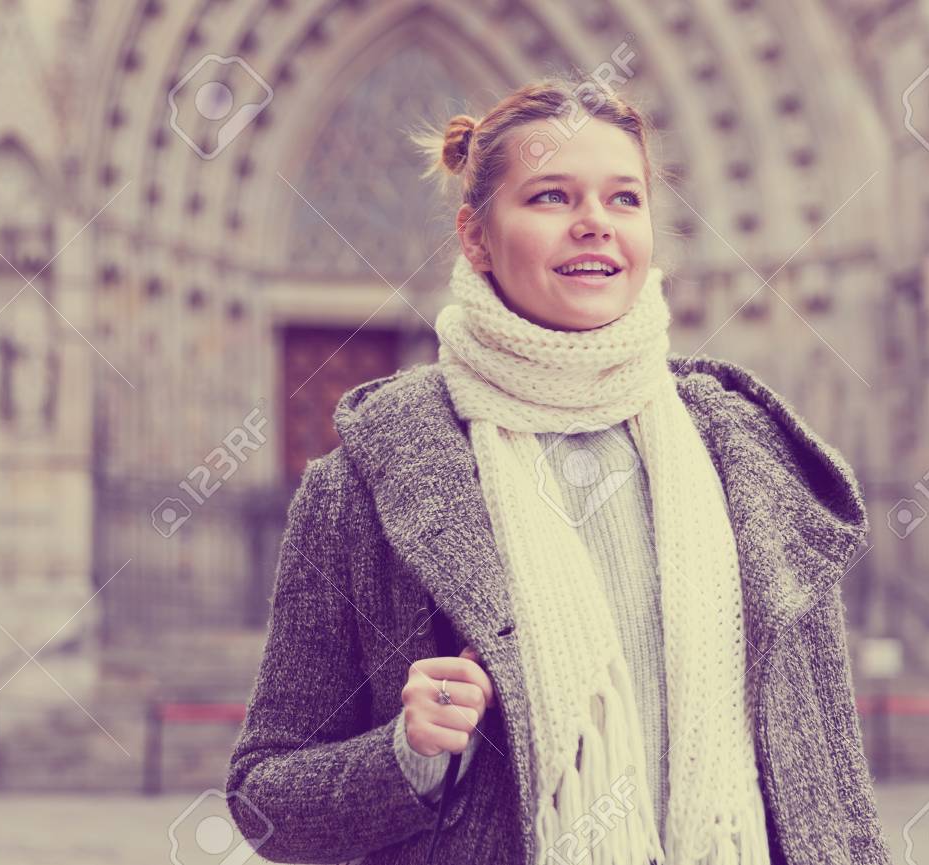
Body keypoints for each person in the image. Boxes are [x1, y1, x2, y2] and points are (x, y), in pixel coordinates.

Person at [226, 76, 892, 865]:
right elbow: (265, 799)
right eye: (550, 197)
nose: (594, 226)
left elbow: (830, 787)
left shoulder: (750, 461)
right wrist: (406, 756)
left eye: (624, 199)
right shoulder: (359, 488)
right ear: (476, 237)